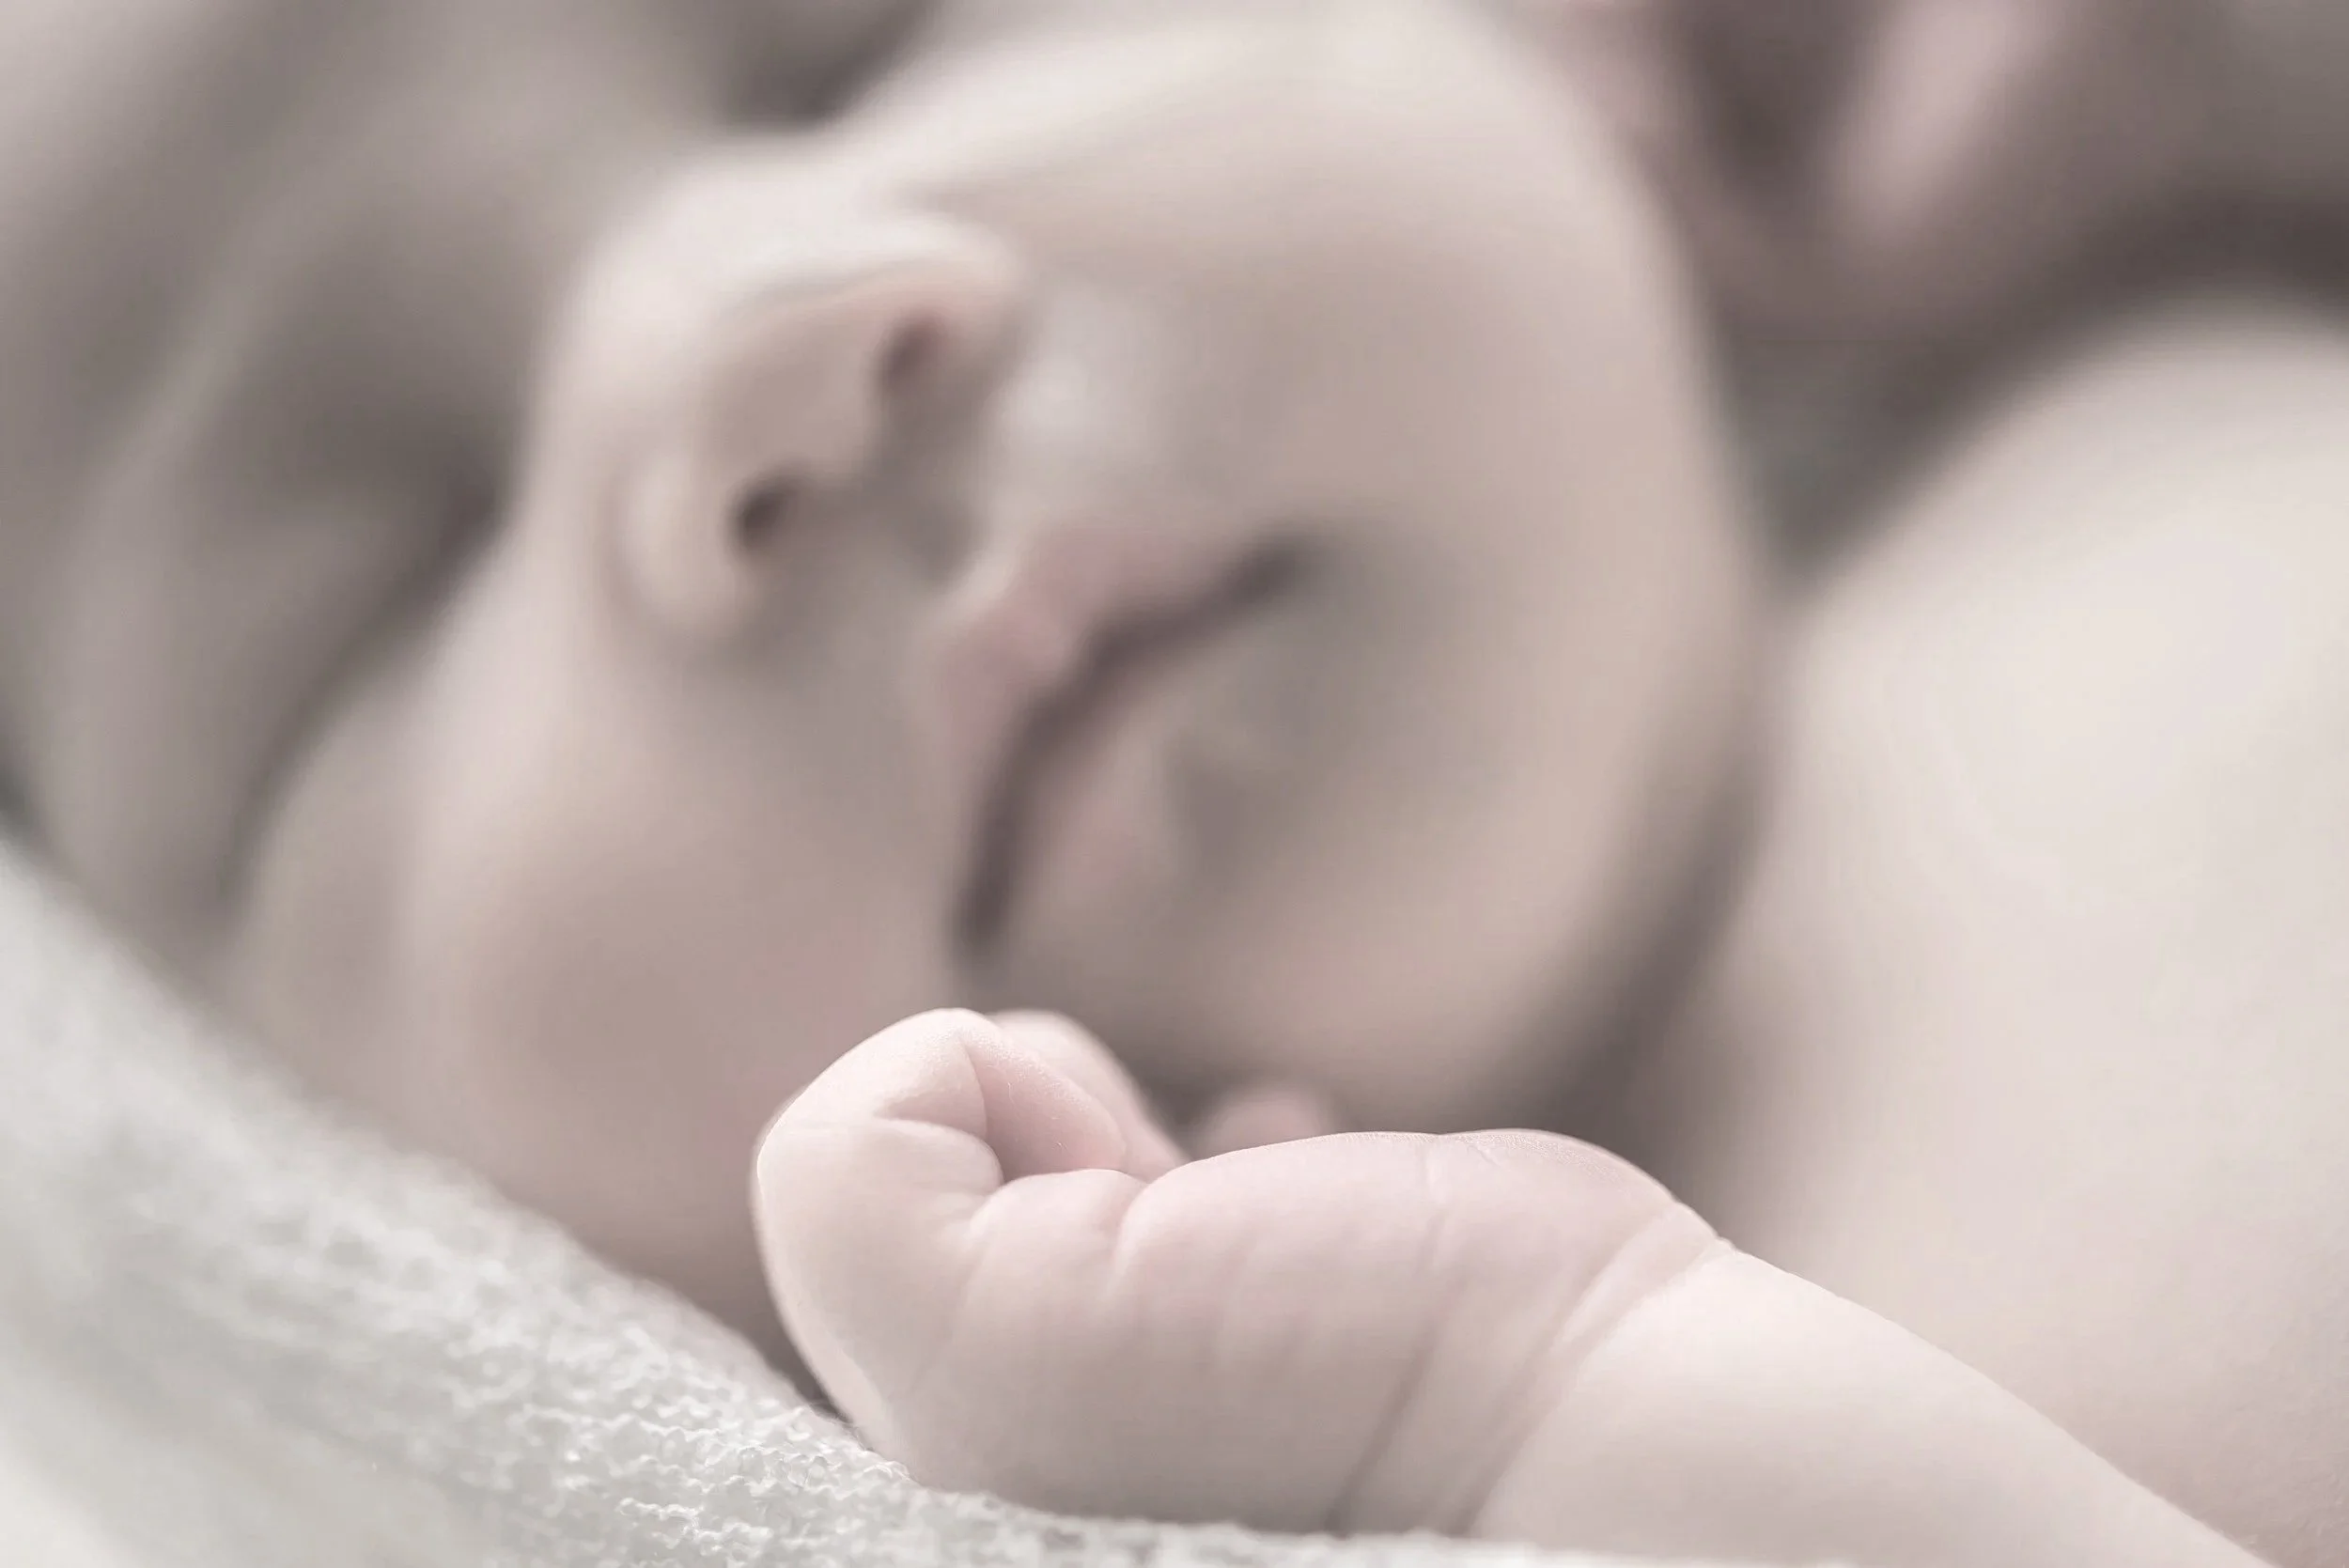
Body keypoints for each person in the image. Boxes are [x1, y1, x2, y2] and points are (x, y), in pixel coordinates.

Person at [0, 0, 2341, 1562]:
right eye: (364, 606)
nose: (757, 345)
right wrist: (1535, 1402)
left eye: (856, 39)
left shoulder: (2155, 270)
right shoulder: (1565, 1449)